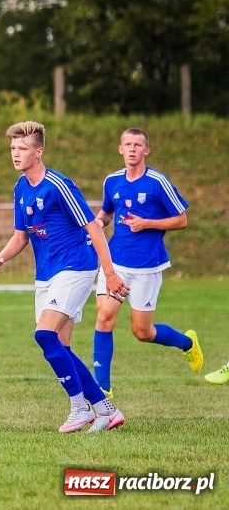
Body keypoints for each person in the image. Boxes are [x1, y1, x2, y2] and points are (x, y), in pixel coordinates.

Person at [0, 120, 129, 433]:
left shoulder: (58, 185)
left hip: (76, 266)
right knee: (60, 346)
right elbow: (21, 236)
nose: (16, 154)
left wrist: (110, 273)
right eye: (13, 148)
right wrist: (0, 257)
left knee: (44, 335)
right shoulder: (21, 188)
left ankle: (80, 408)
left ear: (39, 152)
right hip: (47, 273)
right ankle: (106, 410)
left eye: (23, 149)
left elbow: (93, 227)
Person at [91, 128, 202, 398]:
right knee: (104, 317)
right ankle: (103, 389)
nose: (132, 149)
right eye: (127, 144)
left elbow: (181, 220)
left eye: (137, 145)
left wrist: (147, 223)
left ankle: (187, 342)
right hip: (115, 262)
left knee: (142, 331)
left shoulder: (157, 183)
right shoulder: (112, 181)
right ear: (120, 149)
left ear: (146, 151)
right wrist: (95, 224)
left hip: (147, 266)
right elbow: (106, 214)